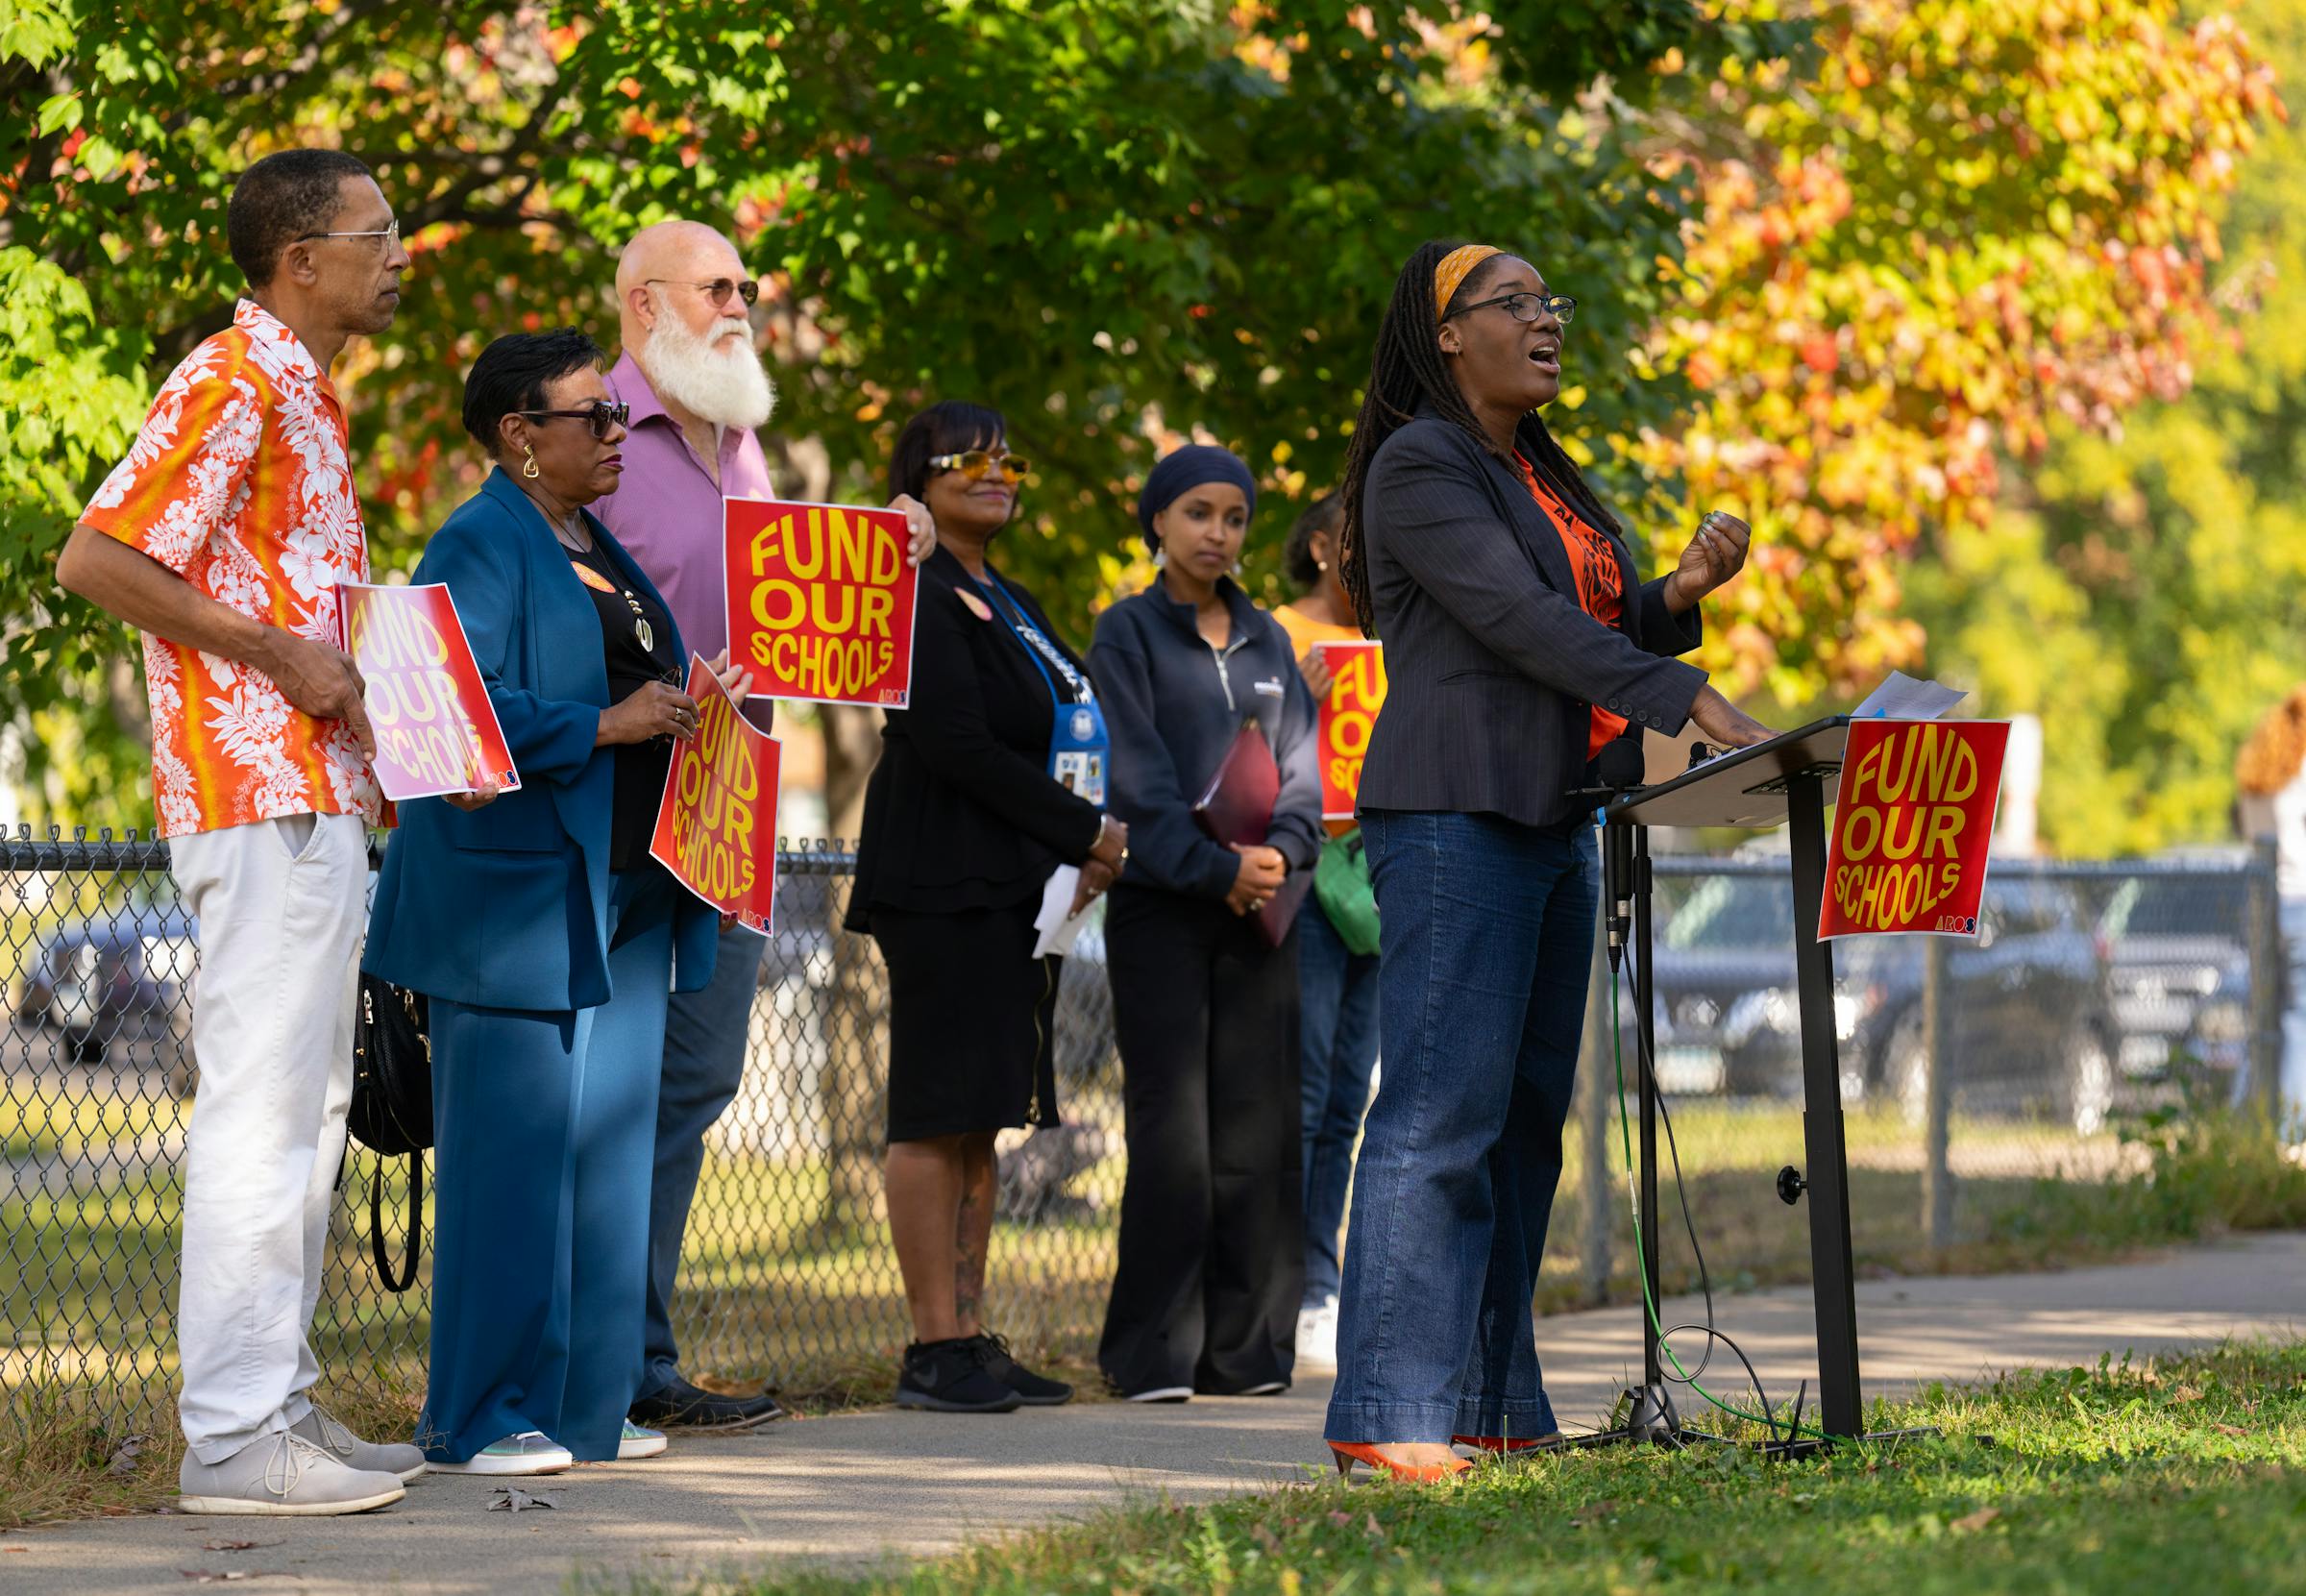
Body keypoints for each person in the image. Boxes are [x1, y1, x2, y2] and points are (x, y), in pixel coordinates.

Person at [1321, 241, 1772, 1482]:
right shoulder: (1420, 464)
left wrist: (1671, 596)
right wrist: (1682, 690)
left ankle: (1487, 1406)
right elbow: (1517, 623)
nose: (1545, 321)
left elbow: (1581, 620)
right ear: (1446, 333)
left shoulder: (1541, 477)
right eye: (1514, 304)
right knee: (1438, 1118)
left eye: (1550, 302)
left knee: (1523, 1130)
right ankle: (1389, 1413)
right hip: (1456, 817)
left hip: (1555, 815)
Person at [58, 149, 428, 1516]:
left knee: (309, 1110)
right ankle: (229, 1441)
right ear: (300, 260)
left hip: (316, 795)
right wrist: (281, 654)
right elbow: (96, 555)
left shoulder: (304, 393)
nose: (401, 254)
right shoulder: (231, 376)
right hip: (253, 787)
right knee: (262, 1115)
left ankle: (277, 1405)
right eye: (378, 233)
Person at [365, 329, 744, 1475]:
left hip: (625, 889)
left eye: (616, 413)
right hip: (516, 905)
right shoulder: (480, 540)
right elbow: (449, 699)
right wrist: (605, 724)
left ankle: (583, 1405)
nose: (620, 432)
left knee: (605, 1159)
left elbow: (632, 680)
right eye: (595, 416)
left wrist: (689, 702)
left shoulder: (600, 547)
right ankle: (476, 1415)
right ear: (522, 434)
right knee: (512, 1167)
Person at [591, 219, 937, 1433]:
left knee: (697, 1076)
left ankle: (640, 1359)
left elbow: (784, 613)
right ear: (645, 305)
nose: (742, 303)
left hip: (732, 806)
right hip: (622, 811)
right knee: (607, 1088)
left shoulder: (744, 445)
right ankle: (591, 1362)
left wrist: (882, 559)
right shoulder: (592, 437)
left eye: (746, 285)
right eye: (716, 287)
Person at [846, 402, 1132, 1412]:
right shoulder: (910, 584)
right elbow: (955, 743)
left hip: (1010, 885)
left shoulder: (1003, 596)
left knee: (982, 1118)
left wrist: (1084, 837)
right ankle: (932, 1348)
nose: (997, 471)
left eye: (1009, 456)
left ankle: (969, 1332)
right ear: (919, 479)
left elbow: (1061, 725)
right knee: (935, 1111)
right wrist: (1084, 833)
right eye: (969, 457)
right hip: (939, 877)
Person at [1090, 445, 1325, 1403]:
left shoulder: (1270, 640)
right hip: (1163, 912)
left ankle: (1247, 1350)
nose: (1216, 532)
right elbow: (1135, 778)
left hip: (1262, 915)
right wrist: (1214, 868)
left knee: (1258, 1129)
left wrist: (1284, 856)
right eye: (1197, 512)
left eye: (1233, 516)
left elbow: (1305, 767)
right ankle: (1155, 1353)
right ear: (1157, 522)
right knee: (1175, 1130)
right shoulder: (1126, 634)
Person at [1271, 494, 1382, 1377]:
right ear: (1320, 547)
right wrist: (1294, 709)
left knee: (1350, 1097)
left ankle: (1324, 1286)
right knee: (1303, 1093)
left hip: (1382, 885)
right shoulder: (1274, 635)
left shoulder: (1407, 637)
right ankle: (1288, 1288)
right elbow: (1229, 758)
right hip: (1306, 881)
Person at [2237, 689, 2306, 1133]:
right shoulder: (2299, 778)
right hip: (2300, 907)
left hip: (2264, 912)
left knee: (2265, 1022)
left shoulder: (2257, 780)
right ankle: (2292, 1131)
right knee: (2300, 1023)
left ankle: (2243, 1123)